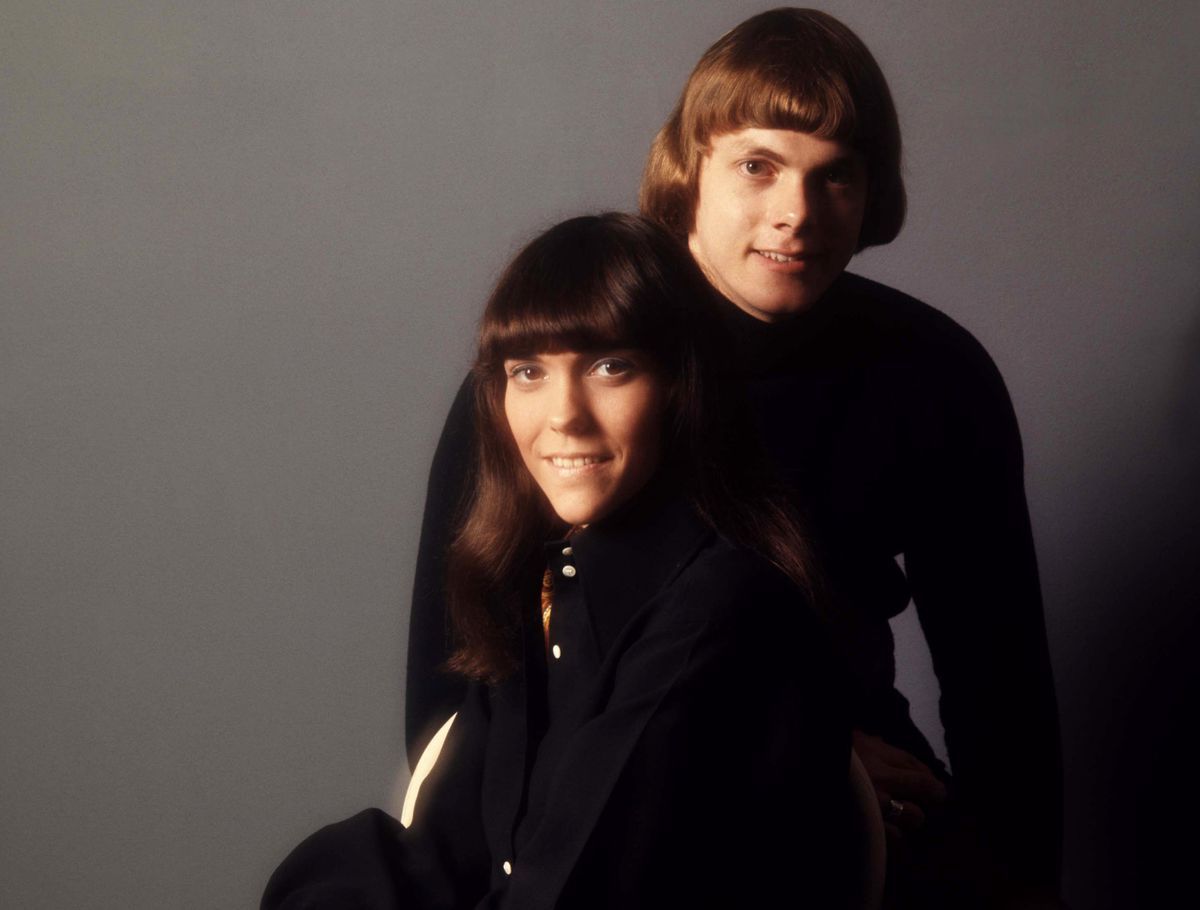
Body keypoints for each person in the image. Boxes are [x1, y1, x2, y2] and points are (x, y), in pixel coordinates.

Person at [406, 9, 1063, 908]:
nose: (797, 214)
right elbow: (451, 678)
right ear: (690, 170)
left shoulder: (933, 374)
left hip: (853, 816)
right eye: (759, 166)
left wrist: (1008, 882)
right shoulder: (555, 367)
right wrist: (790, 753)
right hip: (579, 792)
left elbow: (1001, 690)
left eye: (837, 175)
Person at [264, 213, 851, 909]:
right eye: (528, 372)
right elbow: (444, 853)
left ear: (679, 383)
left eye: (609, 367)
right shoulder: (550, 585)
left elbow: (569, 888)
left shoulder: (721, 608)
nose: (563, 414)